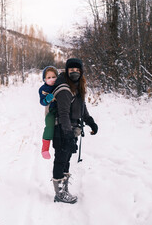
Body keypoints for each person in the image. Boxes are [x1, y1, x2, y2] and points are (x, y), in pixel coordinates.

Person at [51, 58, 98, 204]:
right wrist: (68, 135)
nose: (74, 72)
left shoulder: (77, 87)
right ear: (67, 70)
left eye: (77, 70)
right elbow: (63, 113)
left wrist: (90, 121)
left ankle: (63, 190)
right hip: (63, 129)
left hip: (71, 129)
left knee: (66, 160)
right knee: (60, 160)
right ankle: (59, 194)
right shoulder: (65, 88)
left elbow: (81, 108)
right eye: (71, 70)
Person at [38, 66, 59, 159]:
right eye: (49, 78)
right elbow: (42, 102)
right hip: (50, 111)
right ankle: (45, 149)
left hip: (62, 110)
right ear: (44, 79)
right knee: (50, 127)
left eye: (54, 77)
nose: (52, 79)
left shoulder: (59, 85)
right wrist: (47, 99)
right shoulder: (43, 89)